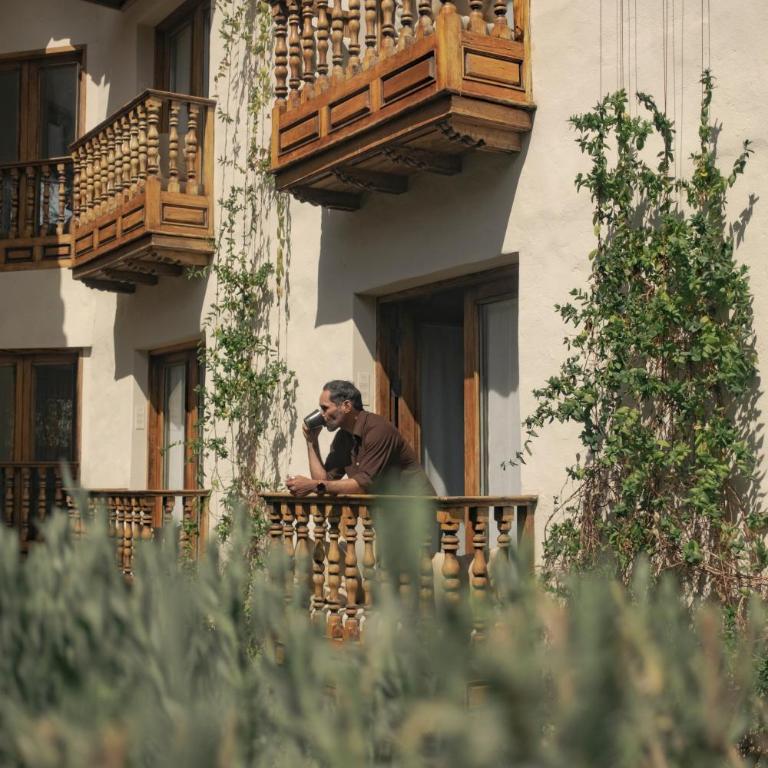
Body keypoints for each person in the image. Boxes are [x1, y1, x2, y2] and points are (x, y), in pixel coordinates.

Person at [285, 380, 435, 497]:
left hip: (420, 514)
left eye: (325, 408)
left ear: (346, 406)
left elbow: (363, 485)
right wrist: (312, 442)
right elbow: (326, 481)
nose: (322, 415)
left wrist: (313, 486)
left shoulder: (378, 429)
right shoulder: (343, 437)